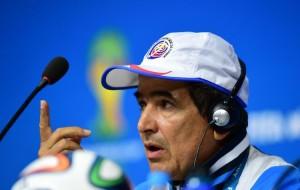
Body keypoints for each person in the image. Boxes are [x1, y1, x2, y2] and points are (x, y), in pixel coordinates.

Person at [38, 32, 300, 189]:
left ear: (222, 118)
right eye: (142, 104)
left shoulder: (281, 184)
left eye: (165, 104)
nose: (143, 124)